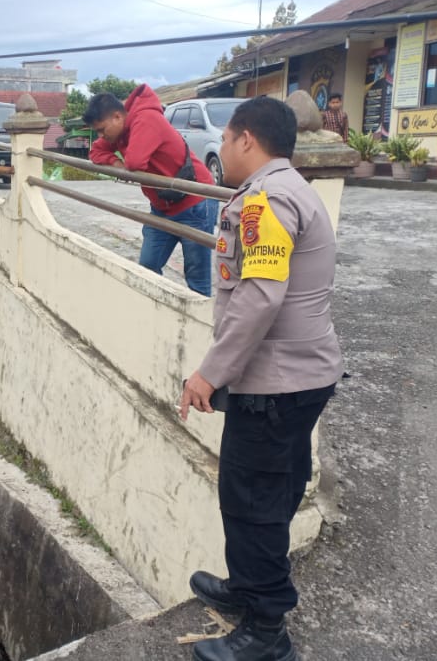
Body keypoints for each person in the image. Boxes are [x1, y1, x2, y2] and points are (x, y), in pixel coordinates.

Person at [179, 96, 343, 661]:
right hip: (298, 377)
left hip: (276, 384)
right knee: (269, 491)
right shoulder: (288, 190)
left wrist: (209, 373)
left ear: (246, 138)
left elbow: (259, 297)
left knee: (252, 502)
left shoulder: (266, 199)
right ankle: (249, 588)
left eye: (224, 140)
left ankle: (266, 631)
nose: (220, 151)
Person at [83, 86, 218, 296]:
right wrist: (116, 163)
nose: (101, 136)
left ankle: (197, 328)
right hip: (162, 205)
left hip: (195, 201)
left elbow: (135, 161)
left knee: (196, 278)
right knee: (147, 267)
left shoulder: (146, 119)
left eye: (102, 130)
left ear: (117, 116)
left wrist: (123, 163)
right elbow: (96, 151)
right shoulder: (119, 131)